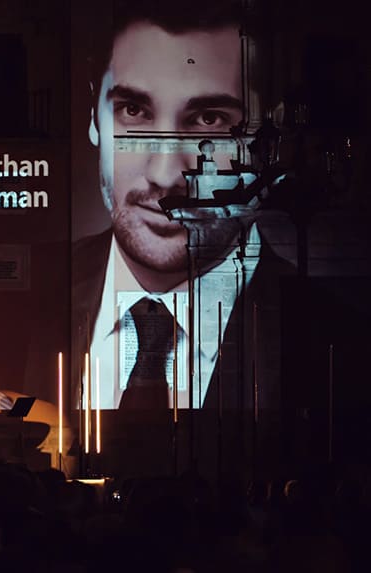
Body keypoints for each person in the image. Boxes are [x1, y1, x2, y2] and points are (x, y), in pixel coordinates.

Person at [74, 0, 293, 411]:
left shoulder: (339, 337)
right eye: (134, 111)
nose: (164, 174)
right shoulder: (5, 312)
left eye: (209, 119)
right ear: (94, 117)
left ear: (271, 137)